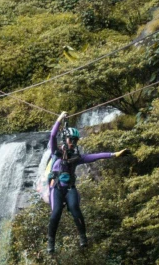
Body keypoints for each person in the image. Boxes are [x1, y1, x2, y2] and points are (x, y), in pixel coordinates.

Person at [43, 109, 118, 255]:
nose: (74, 143)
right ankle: (51, 242)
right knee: (56, 212)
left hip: (70, 188)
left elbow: (95, 156)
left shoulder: (77, 157)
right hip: (57, 189)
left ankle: (83, 238)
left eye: (76, 141)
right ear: (65, 139)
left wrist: (114, 154)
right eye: (72, 140)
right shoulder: (55, 152)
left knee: (75, 209)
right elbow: (52, 136)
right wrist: (59, 118)